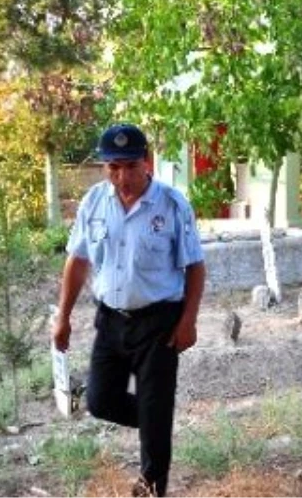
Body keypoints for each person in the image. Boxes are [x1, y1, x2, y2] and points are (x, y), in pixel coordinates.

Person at [51, 123, 206, 498]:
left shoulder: (171, 204)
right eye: (113, 167)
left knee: (154, 425)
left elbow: (195, 266)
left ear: (146, 161)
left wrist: (188, 322)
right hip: (110, 321)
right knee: (99, 401)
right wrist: (64, 316)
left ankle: (152, 487)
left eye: (131, 166)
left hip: (159, 325)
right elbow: (78, 261)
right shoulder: (94, 202)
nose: (123, 177)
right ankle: (158, 422)